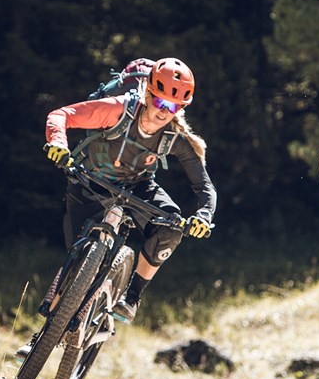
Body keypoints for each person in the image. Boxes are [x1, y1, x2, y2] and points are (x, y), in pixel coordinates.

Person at [41, 57, 217, 324]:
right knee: (77, 260)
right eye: (159, 101)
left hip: (137, 186)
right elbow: (61, 115)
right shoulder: (117, 110)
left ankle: (132, 296)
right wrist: (59, 145)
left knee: (171, 228)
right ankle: (41, 336)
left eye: (173, 106)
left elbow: (204, 186)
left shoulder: (174, 138)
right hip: (90, 180)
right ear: (148, 93)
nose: (163, 111)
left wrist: (203, 216)